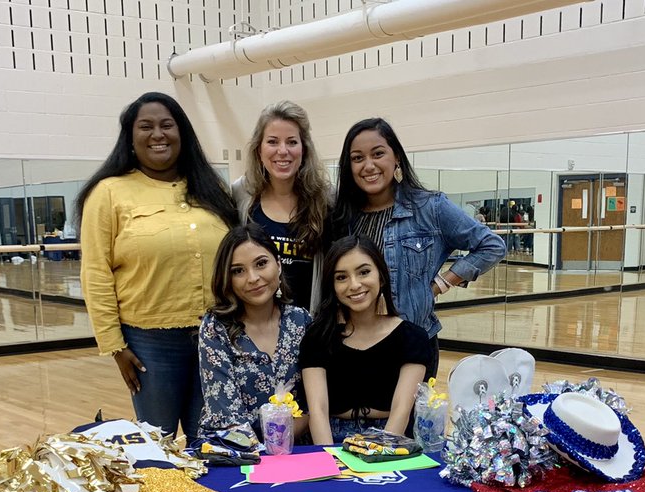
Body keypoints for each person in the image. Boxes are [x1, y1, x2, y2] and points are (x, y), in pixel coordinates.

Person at [76, 91, 238, 441]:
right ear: (131, 138)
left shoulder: (211, 189)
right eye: (146, 126)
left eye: (167, 124)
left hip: (217, 336)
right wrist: (115, 346)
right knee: (159, 445)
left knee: (214, 443)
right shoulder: (108, 193)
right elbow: (95, 272)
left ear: (183, 133)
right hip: (150, 343)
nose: (158, 134)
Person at [331, 118, 505, 378]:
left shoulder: (429, 208)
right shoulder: (342, 216)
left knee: (413, 418)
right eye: (357, 158)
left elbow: (491, 245)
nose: (369, 165)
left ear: (397, 158)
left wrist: (440, 284)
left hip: (412, 343)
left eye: (378, 154)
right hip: (355, 344)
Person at [300, 236, 429, 446]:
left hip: (391, 439)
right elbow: (318, 412)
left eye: (364, 272)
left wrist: (376, 458)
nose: (354, 284)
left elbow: (401, 412)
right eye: (341, 277)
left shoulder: (413, 338)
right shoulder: (318, 337)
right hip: (332, 438)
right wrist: (330, 462)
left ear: (382, 276)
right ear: (332, 285)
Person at [198, 224, 311, 439]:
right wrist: (292, 430)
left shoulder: (301, 320)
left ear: (278, 265)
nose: (252, 278)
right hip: (235, 452)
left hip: (299, 452)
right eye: (238, 271)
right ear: (227, 279)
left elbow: (317, 402)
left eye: (261, 264)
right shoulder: (216, 327)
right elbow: (226, 419)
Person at [232, 100, 331, 312]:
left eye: (292, 142)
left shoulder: (326, 199)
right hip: (256, 327)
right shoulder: (240, 195)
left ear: (304, 149)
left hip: (310, 327)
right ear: (259, 149)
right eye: (273, 142)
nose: (283, 151)